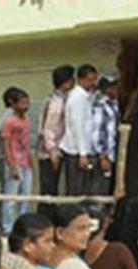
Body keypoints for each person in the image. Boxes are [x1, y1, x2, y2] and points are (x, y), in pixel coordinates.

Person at [38, 65, 75, 209]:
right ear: (66, 82)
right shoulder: (56, 102)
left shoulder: (61, 98)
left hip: (56, 149)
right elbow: (48, 129)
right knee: (49, 190)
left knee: (52, 188)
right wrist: (53, 152)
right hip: (50, 152)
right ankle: (45, 221)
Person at [61, 65, 99, 195]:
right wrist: (82, 153)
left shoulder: (86, 96)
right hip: (75, 151)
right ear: (80, 80)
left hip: (85, 149)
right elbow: (77, 126)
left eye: (94, 79)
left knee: (85, 188)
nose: (93, 83)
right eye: (90, 80)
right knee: (76, 189)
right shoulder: (77, 97)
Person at [1, 88, 33, 233]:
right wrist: (11, 164)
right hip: (14, 162)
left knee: (26, 195)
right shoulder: (9, 122)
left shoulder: (27, 120)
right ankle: (8, 226)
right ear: (13, 104)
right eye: (22, 102)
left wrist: (30, 160)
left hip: (26, 162)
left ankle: (23, 225)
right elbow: (6, 144)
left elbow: (26, 143)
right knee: (11, 198)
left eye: (27, 101)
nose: (26, 105)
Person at [91, 76, 121, 196]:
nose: (117, 89)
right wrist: (103, 155)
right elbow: (97, 132)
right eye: (114, 86)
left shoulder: (113, 104)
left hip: (112, 154)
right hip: (103, 156)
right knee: (99, 190)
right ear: (106, 89)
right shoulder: (100, 106)